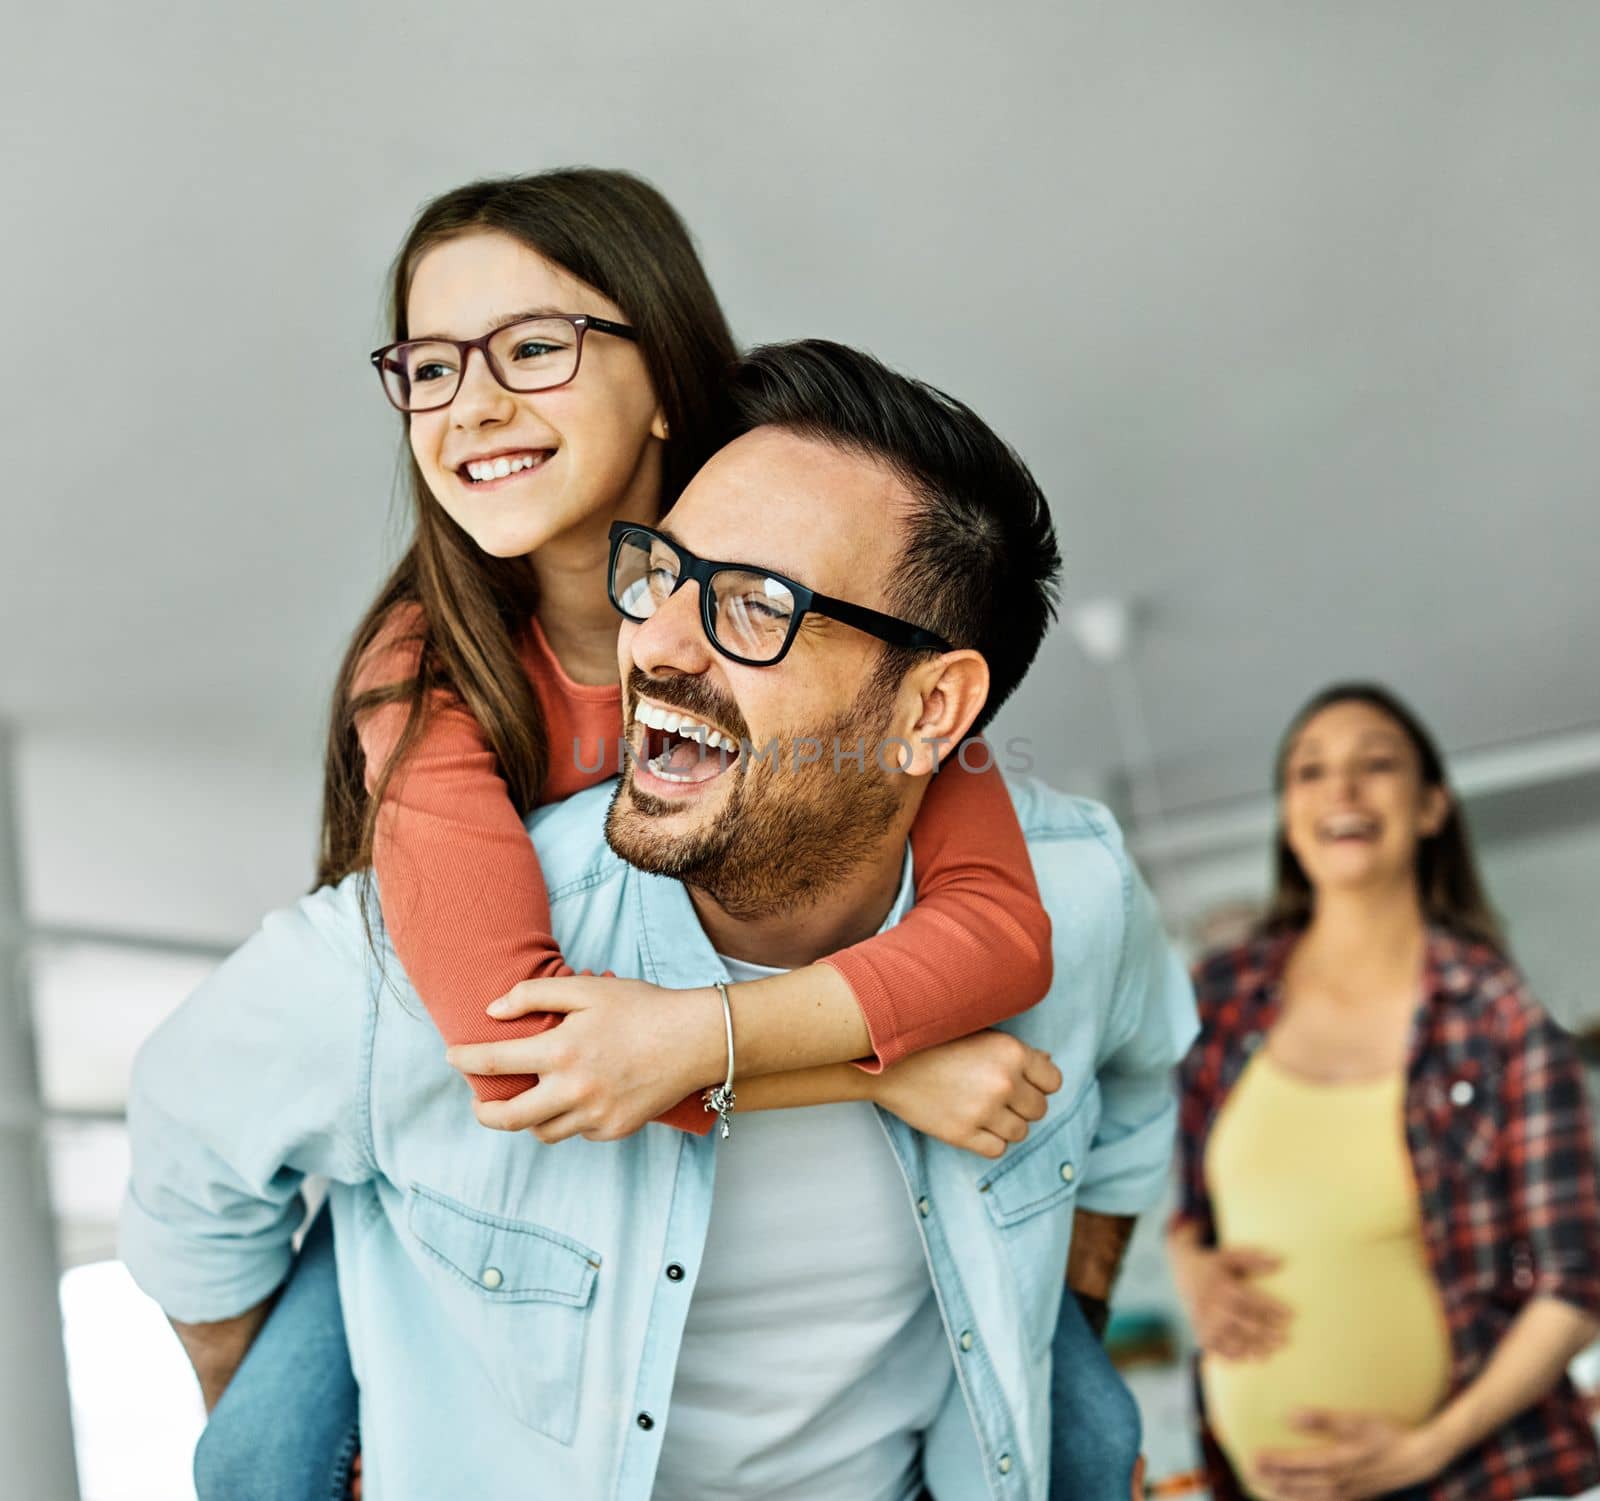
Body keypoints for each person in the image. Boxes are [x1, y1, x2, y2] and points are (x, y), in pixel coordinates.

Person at [185, 167, 1145, 1501]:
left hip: (649, 1113)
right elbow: (515, 1046)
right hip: (464, 1163)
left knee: (1090, 1436)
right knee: (257, 1457)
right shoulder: (422, 671)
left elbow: (996, 932)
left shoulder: (845, 635)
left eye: (534, 347)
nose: (474, 399)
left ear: (666, 378)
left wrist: (720, 1041)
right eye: (429, 365)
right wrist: (874, 1072)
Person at [1168, 683, 1600, 1501]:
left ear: (1431, 806)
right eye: (1310, 771)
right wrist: (1187, 1264)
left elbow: (1574, 1284)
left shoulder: (1502, 1019)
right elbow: (1188, 1211)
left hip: (1475, 1477)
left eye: (1377, 764)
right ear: (1288, 816)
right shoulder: (1215, 998)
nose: (1342, 789)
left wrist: (1426, 1448)